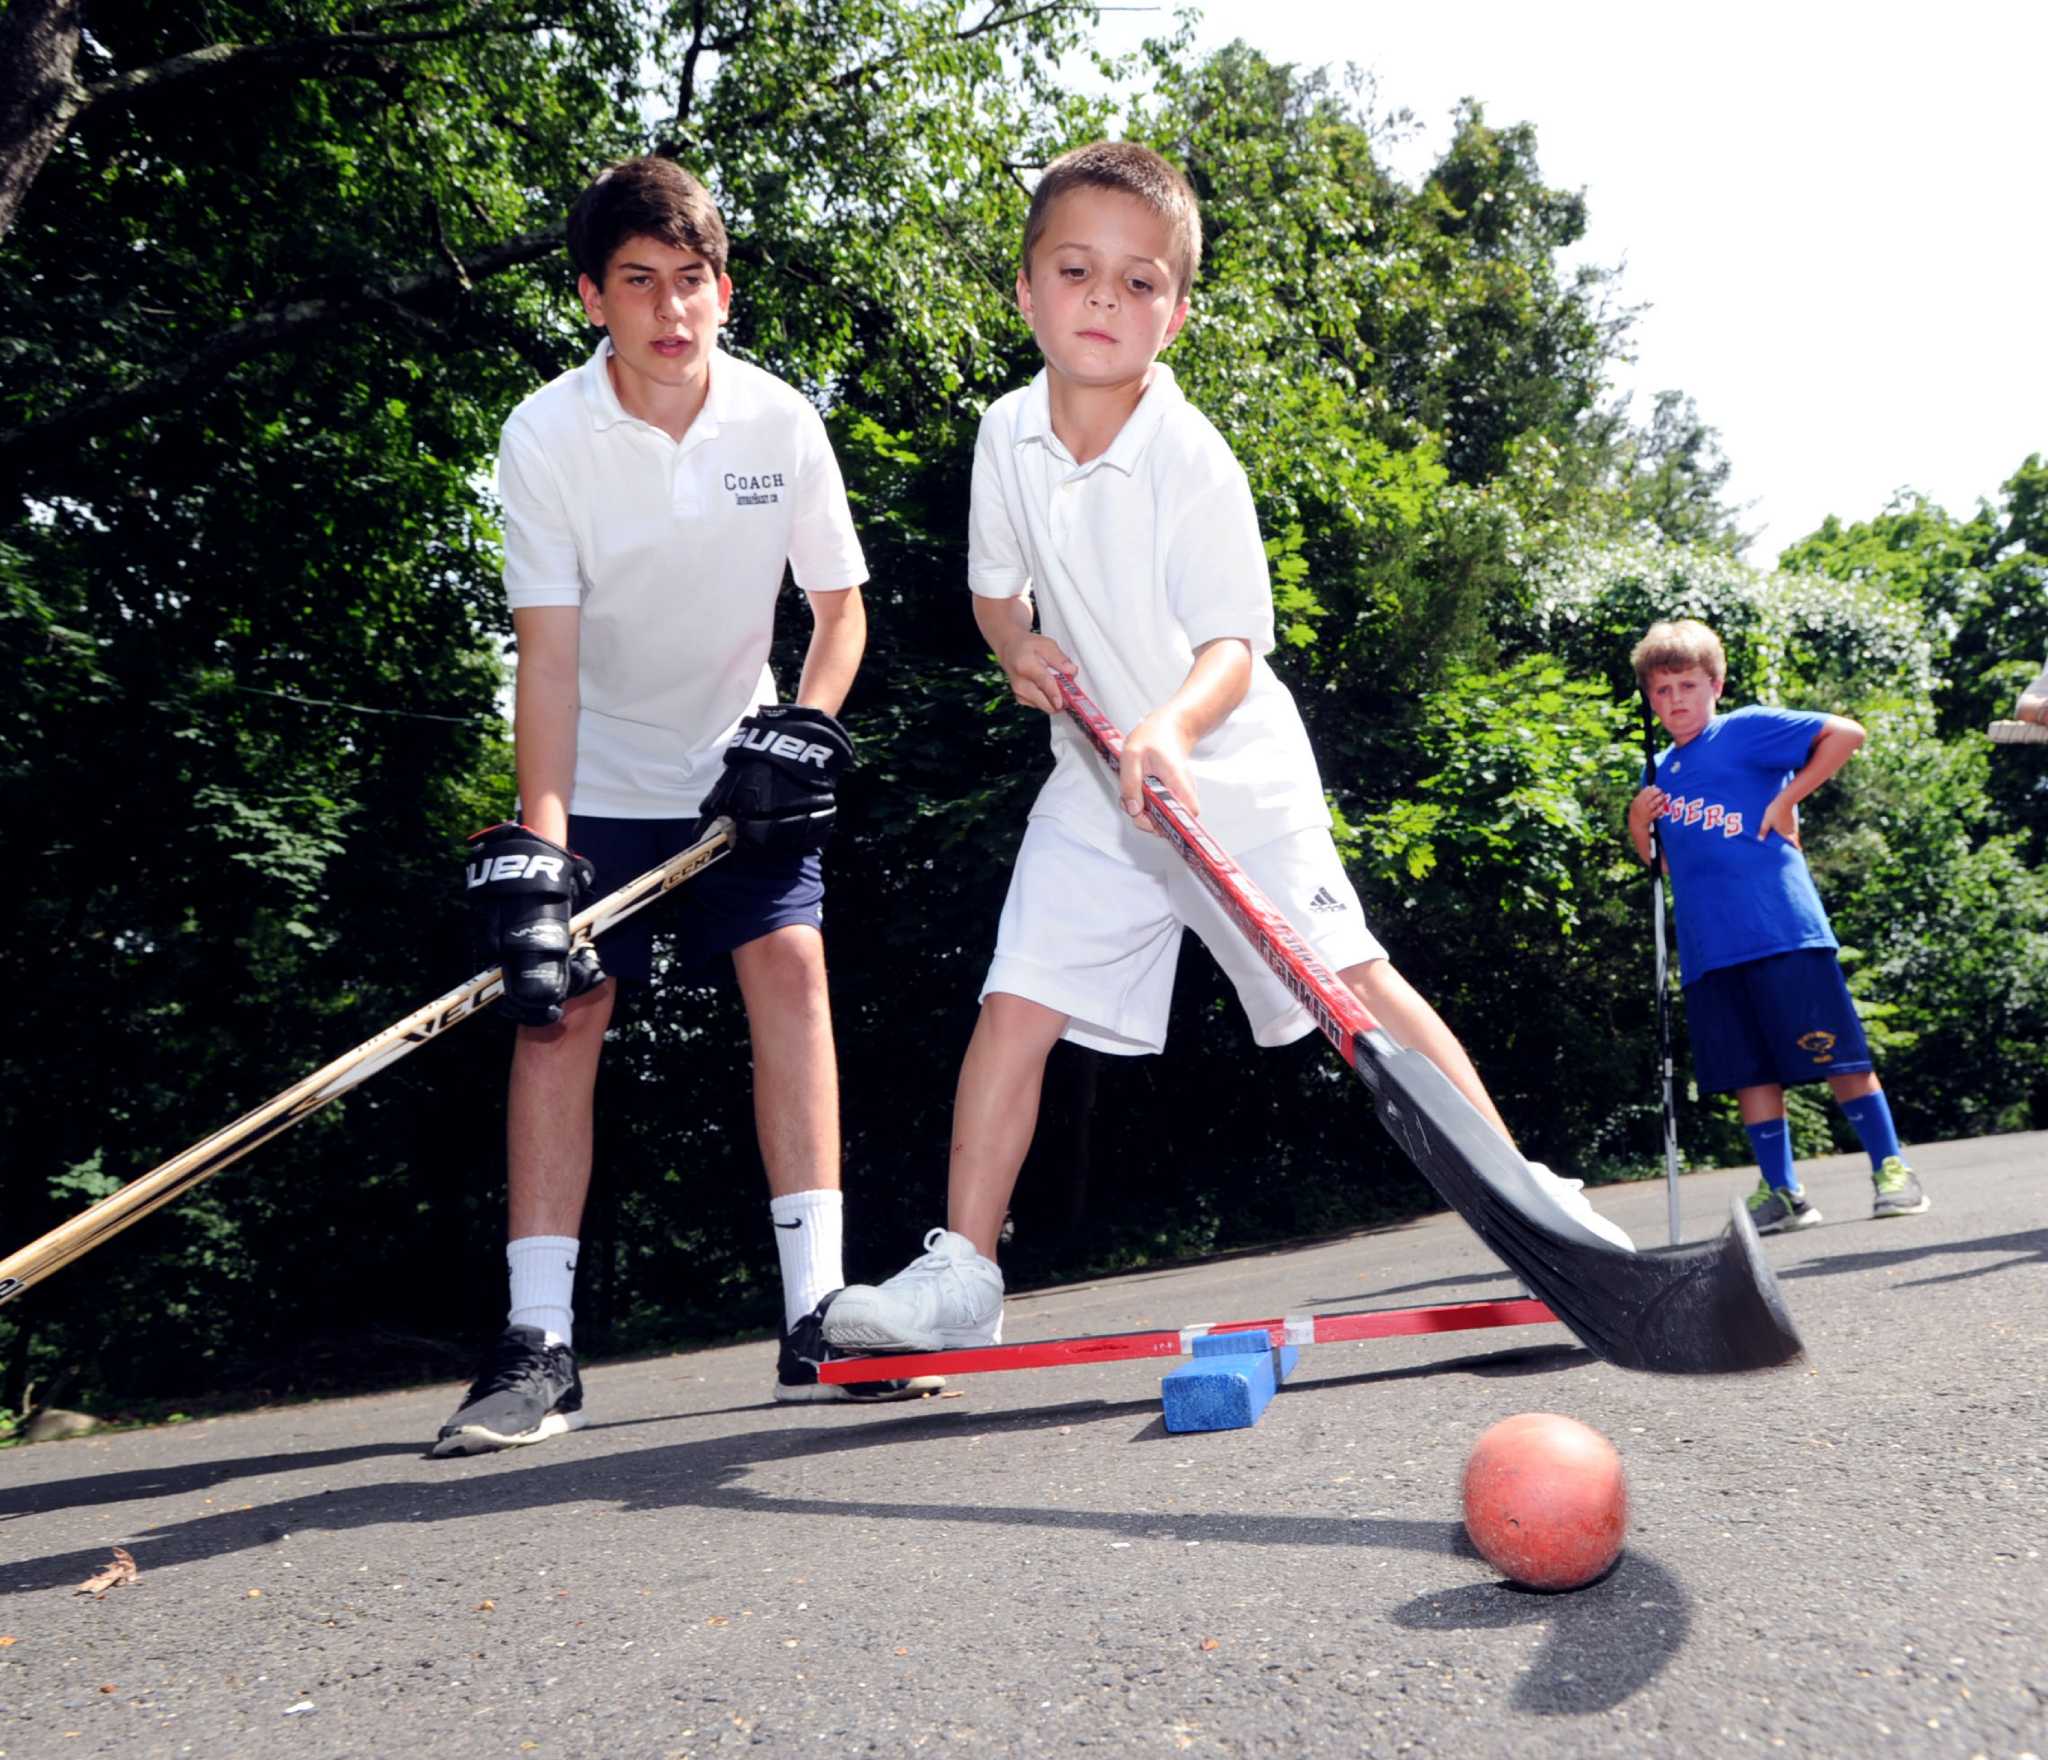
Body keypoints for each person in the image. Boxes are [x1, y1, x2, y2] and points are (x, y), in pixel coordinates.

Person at [821, 141, 1624, 1357]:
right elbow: (996, 593)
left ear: (1176, 314)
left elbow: (1235, 645)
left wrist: (1169, 726)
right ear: (1026, 290)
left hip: (1227, 762)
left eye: (1140, 282)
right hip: (1097, 780)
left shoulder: (1191, 456)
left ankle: (1523, 1196)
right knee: (1016, 998)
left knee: (1349, 976)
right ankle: (964, 1273)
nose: (1105, 298)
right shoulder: (1003, 435)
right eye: (1076, 270)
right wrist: (1013, 648)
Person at [434, 157, 937, 1455]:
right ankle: (539, 1342)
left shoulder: (781, 424)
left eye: (694, 279)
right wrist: (543, 846)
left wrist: (806, 729)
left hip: (738, 778)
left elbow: (841, 610)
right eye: (640, 282)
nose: (672, 308)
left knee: (792, 971)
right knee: (560, 1011)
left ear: (726, 287)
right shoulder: (544, 436)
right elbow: (546, 655)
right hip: (596, 782)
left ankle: (818, 1317)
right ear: (594, 295)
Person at [1626, 618, 1930, 1235]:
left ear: (1715, 684)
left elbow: (1845, 734)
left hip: (1782, 930)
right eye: (1661, 690)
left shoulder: (1744, 730)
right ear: (1649, 699)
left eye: (1687, 685)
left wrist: (1788, 799)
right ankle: (1785, 1192)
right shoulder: (1657, 770)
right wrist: (1637, 819)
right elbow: (1659, 862)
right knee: (1749, 1072)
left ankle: (1891, 1169)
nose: (1675, 700)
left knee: (1838, 1055)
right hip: (1712, 948)